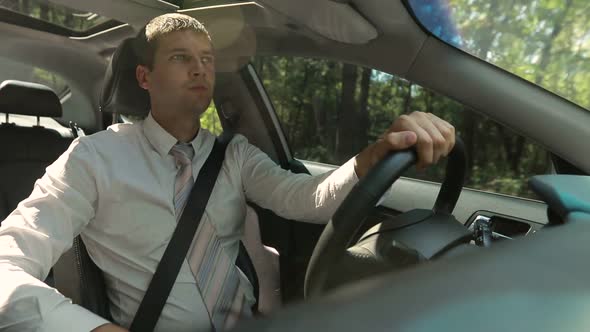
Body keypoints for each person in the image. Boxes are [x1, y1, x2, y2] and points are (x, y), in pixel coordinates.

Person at [0, 13, 455, 332]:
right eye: (180, 57)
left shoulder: (234, 154)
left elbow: (307, 199)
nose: (200, 68)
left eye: (207, 59)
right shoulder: (92, 159)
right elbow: (6, 268)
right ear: (144, 78)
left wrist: (374, 157)